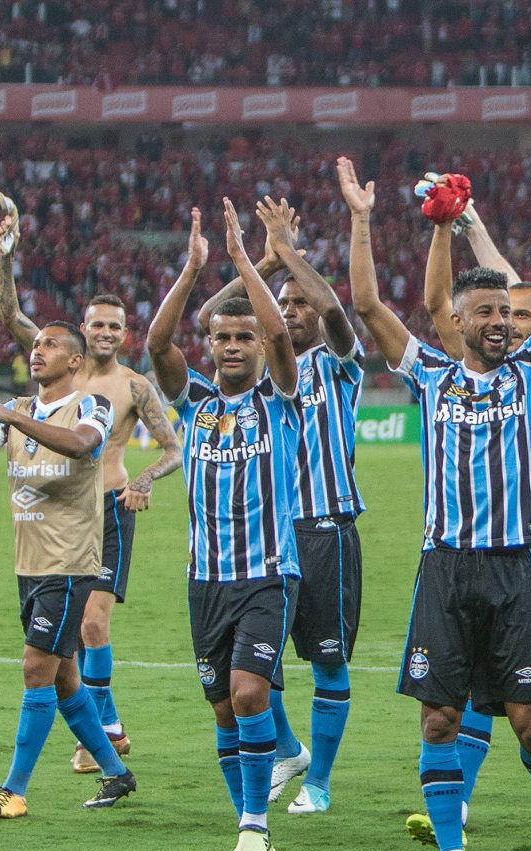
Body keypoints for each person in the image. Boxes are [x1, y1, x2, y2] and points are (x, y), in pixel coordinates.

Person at [339, 142, 531, 851]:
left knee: (529, 725)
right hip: (443, 567)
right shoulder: (431, 375)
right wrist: (378, 223)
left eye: (507, 314)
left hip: (515, 570)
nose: (497, 324)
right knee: (439, 720)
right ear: (457, 319)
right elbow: (369, 307)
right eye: (482, 312)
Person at [405, 150, 531, 850]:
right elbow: (456, 299)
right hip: (476, 552)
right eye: (498, 311)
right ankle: (455, 815)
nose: (510, 320)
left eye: (519, 311)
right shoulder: (477, 366)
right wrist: (459, 224)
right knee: (481, 700)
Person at [194, 198, 370, 816]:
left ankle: (317, 781)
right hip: (267, 542)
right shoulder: (260, 372)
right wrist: (261, 265)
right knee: (256, 669)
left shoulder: (340, 366)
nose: (293, 311)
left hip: (326, 530)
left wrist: (288, 255)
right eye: (284, 302)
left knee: (326, 663)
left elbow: (332, 308)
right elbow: (207, 319)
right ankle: (289, 749)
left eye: (299, 303)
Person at [0, 216, 183, 774]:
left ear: (125, 335)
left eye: (115, 327)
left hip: (109, 509)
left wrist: (146, 479)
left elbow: (175, 449)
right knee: (74, 635)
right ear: (83, 329)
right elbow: (9, 314)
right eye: (97, 324)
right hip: (56, 518)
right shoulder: (63, 369)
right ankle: (109, 729)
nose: (105, 333)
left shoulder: (134, 386)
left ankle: (101, 729)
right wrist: (6, 256)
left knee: (93, 626)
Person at [146, 202, 301, 851]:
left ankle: (254, 827)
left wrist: (244, 261)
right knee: (221, 710)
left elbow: (284, 340)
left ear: (260, 346)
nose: (232, 346)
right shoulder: (197, 406)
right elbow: (156, 345)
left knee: (248, 694)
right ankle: (249, 810)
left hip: (267, 574)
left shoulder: (281, 400)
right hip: (204, 580)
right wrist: (189, 274)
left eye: (244, 338)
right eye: (222, 339)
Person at [0, 323, 138, 817]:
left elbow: (80, 444)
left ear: (74, 361)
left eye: (50, 345)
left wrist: (9, 415)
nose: (37, 351)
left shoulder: (92, 405)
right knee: (66, 676)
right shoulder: (19, 414)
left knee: (35, 668)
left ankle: (14, 790)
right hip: (28, 564)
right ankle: (116, 772)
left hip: (69, 564)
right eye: (34, 344)